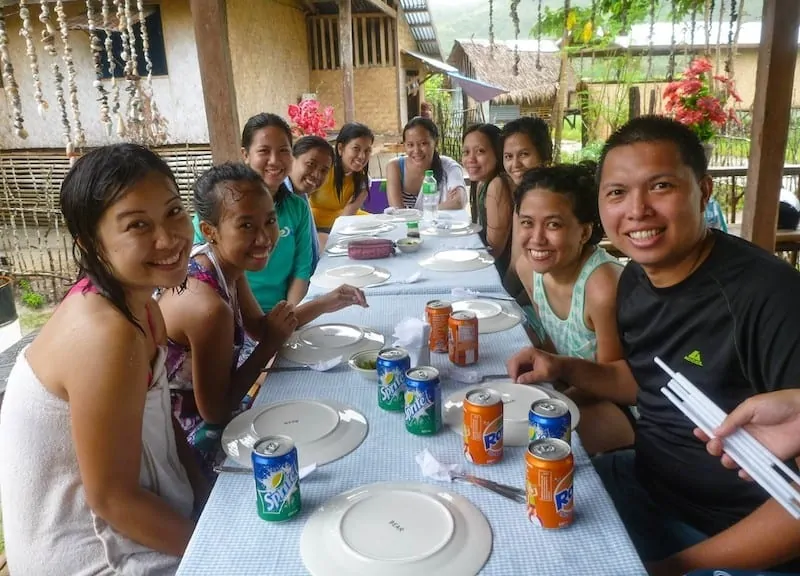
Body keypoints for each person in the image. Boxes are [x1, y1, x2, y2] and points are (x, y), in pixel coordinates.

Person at [507, 116, 800, 575]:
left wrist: (671, 567)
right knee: (512, 513)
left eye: (660, 186)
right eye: (617, 192)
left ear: (703, 191)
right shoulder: (636, 281)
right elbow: (644, 380)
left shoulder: (769, 298)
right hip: (644, 485)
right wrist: (562, 367)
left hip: (732, 538)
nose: (637, 210)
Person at [0, 144, 205, 574]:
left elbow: (163, 423)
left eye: (173, 212)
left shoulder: (142, 307)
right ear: (92, 244)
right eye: (137, 225)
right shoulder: (106, 335)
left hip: (135, 512)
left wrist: (206, 492)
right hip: (89, 553)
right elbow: (112, 500)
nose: (168, 238)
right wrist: (218, 543)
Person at [162, 163, 367, 477]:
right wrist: (269, 346)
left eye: (269, 221)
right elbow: (215, 412)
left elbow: (261, 327)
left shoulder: (226, 266)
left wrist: (325, 303)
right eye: (246, 225)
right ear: (210, 231)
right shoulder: (207, 308)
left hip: (215, 411)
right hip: (187, 444)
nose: (264, 237)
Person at [512, 163, 632, 455]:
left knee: (526, 446)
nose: (537, 238)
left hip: (616, 407)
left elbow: (611, 381)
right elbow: (552, 341)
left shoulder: (602, 286)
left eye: (553, 225)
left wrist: (551, 400)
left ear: (584, 232)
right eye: (527, 223)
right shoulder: (528, 267)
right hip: (567, 388)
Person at [192, 113, 313, 313]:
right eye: (264, 151)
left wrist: (288, 315)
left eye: (283, 150)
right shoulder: (215, 214)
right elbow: (204, 276)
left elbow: (302, 270)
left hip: (281, 312)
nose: (274, 160)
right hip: (232, 315)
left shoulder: (297, 208)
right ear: (246, 154)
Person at [501, 116, 554, 310]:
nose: (515, 164)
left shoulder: (556, 198)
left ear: (544, 155)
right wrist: (501, 297)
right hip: (530, 292)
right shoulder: (522, 198)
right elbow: (516, 263)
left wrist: (510, 303)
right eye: (508, 156)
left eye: (524, 154)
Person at [463, 123, 514, 276]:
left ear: (497, 153)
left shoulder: (497, 185)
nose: (470, 159)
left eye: (480, 151)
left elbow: (494, 250)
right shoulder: (482, 183)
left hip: (497, 273)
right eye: (466, 152)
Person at [310, 122, 374, 241]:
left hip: (343, 225)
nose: (362, 156)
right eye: (356, 148)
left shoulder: (364, 180)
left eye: (367, 150)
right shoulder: (322, 170)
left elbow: (347, 216)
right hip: (314, 226)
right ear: (340, 148)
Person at [386, 117, 466, 210]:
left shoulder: (449, 166)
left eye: (423, 143)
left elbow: (458, 202)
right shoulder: (395, 167)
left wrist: (421, 213)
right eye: (410, 145)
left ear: (436, 142)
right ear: (404, 145)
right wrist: (434, 210)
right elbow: (398, 211)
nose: (416, 151)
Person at [286, 135, 335, 271]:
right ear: (291, 160)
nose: (316, 175)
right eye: (310, 164)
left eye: (324, 171)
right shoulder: (280, 200)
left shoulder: (301, 195)